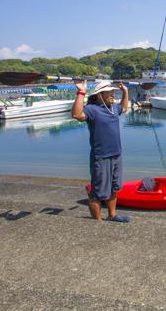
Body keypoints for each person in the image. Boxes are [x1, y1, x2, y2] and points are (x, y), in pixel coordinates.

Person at [72, 79, 131, 223]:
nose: (112, 95)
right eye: (109, 93)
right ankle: (97, 222)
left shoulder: (113, 108)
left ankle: (112, 215)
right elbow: (77, 115)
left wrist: (125, 92)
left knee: (114, 188)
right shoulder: (92, 109)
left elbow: (123, 108)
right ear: (99, 95)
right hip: (101, 157)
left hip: (116, 154)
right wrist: (81, 92)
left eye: (113, 92)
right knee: (97, 192)